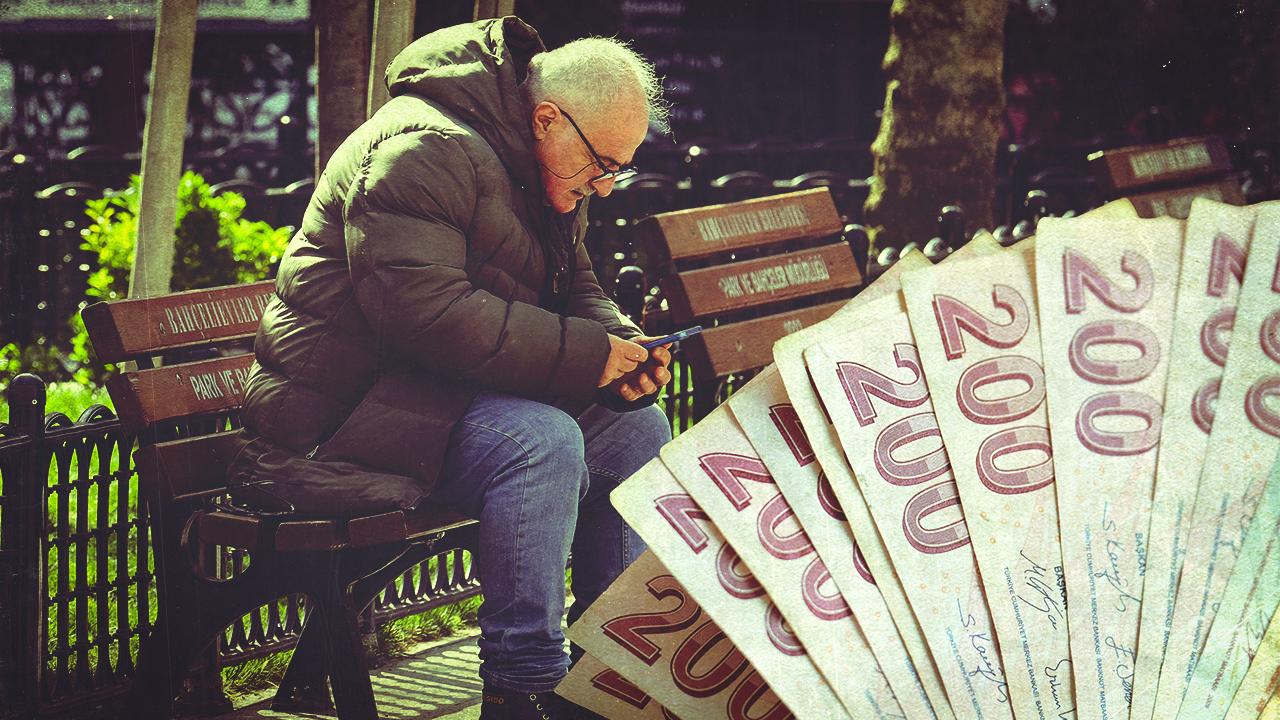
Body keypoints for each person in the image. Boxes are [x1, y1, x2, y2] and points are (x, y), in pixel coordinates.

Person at [228, 16, 674, 720]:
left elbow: (576, 288)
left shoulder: (542, 165)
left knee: (637, 429)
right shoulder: (423, 149)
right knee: (541, 443)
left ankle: (602, 675)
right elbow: (423, 311)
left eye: (621, 167)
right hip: (337, 424)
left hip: (427, 404)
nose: (609, 184)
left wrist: (622, 351)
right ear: (549, 118)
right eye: (604, 164)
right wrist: (587, 355)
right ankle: (520, 688)